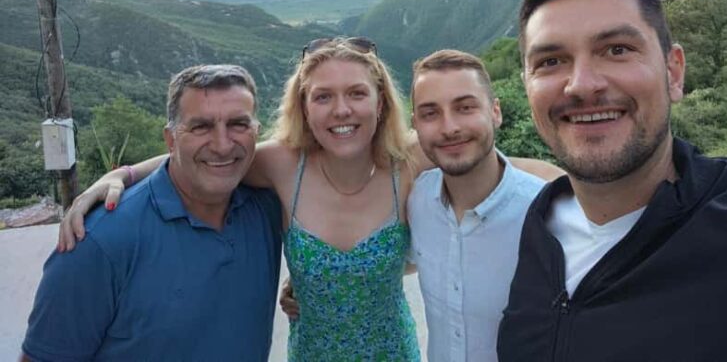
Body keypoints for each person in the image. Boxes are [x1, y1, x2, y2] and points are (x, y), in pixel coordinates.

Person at [497, 0, 727, 361]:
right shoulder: (541, 227)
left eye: (617, 50)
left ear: (673, 73)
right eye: (551, 61)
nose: (582, 84)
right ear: (528, 87)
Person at [60, 38, 421, 361]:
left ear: (380, 103)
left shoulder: (410, 161)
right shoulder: (283, 166)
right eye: (323, 96)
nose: (341, 110)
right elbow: (202, 157)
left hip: (395, 353)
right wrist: (121, 175)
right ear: (305, 109)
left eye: (357, 93)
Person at [21, 65, 283, 361]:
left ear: (256, 132)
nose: (222, 145)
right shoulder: (98, 242)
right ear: (170, 139)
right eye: (200, 127)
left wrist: (305, 283)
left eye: (238, 124)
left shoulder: (267, 206)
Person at [408, 49, 561, 362]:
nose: (449, 127)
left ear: (495, 112)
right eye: (430, 113)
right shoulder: (416, 200)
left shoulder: (548, 216)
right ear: (416, 125)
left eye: (465, 107)